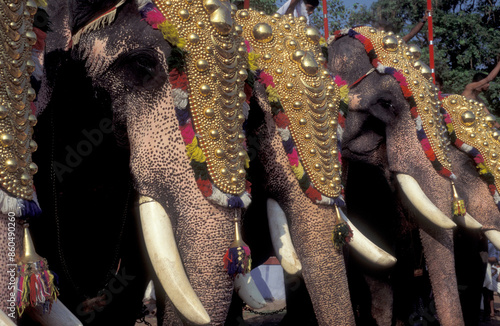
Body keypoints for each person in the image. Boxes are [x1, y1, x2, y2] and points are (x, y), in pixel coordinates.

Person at [482, 240, 500, 321]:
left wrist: (482, 257)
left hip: (488, 270)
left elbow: (495, 258)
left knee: (488, 293)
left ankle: (487, 314)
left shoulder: (492, 243)